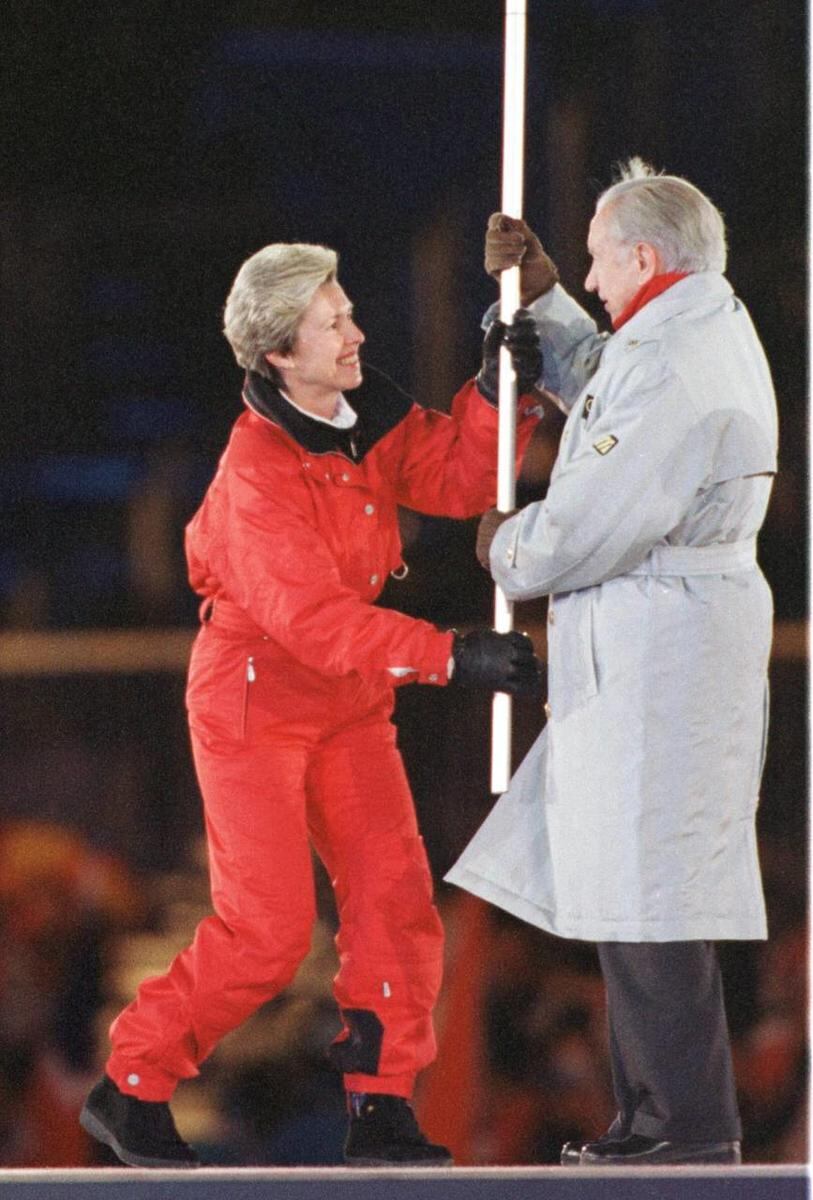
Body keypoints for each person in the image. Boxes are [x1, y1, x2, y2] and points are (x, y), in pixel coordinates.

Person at [80, 242, 544, 1169]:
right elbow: (314, 621)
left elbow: (456, 478)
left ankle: (382, 1103)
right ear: (279, 355)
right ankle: (131, 1081)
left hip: (349, 695)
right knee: (267, 931)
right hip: (256, 695)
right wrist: (451, 655)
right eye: (332, 323)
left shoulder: (359, 415)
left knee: (394, 900)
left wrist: (500, 393)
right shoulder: (256, 472)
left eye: (348, 311)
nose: (356, 333)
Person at [447, 158, 777, 1167]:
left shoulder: (676, 364)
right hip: (659, 639)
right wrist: (544, 301)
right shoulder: (690, 330)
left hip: (663, 645)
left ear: (642, 256)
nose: (590, 279)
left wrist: (505, 545)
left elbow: (593, 512)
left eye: (593, 262)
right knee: (637, 888)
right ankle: (655, 1116)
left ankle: (684, 1127)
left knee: (654, 892)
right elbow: (611, 394)